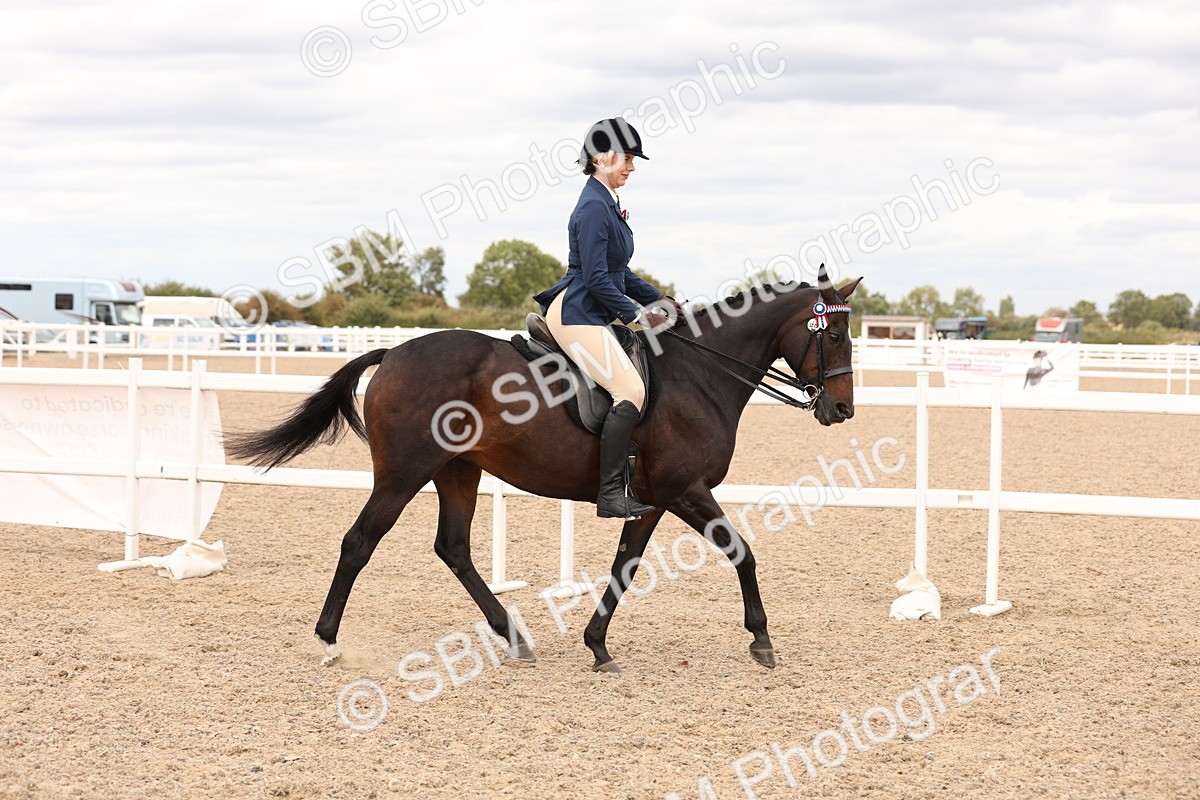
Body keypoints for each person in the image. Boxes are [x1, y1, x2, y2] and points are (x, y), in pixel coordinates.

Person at [533, 117, 681, 519]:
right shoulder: (594, 207)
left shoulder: (607, 203)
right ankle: (611, 493)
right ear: (601, 158)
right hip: (578, 313)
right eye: (626, 159)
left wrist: (660, 299)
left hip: (593, 310)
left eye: (632, 160)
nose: (631, 168)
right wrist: (639, 316)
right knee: (630, 391)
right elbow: (597, 279)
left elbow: (620, 272)